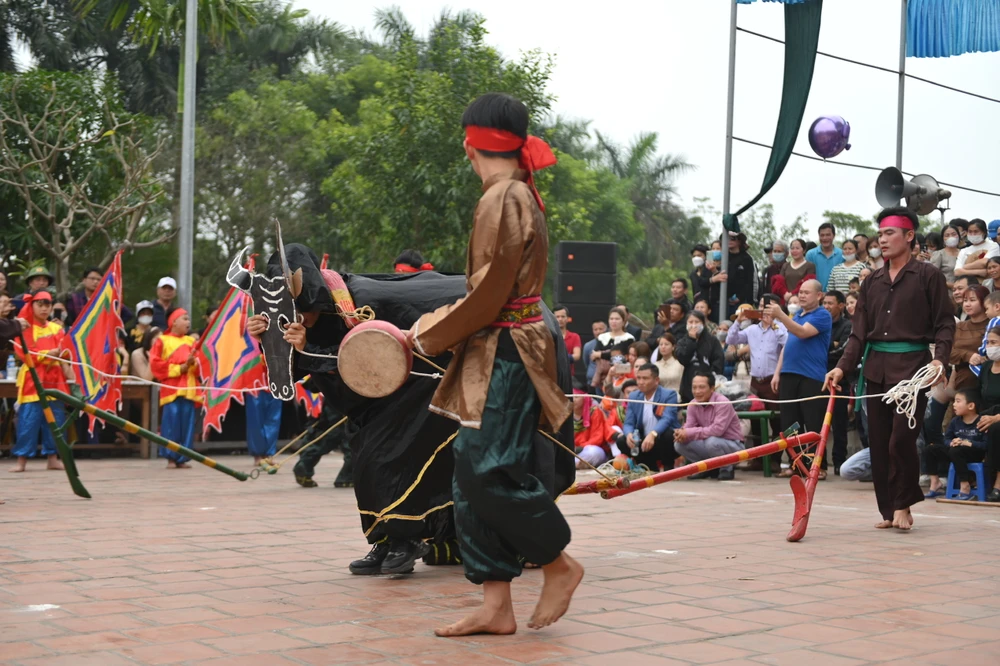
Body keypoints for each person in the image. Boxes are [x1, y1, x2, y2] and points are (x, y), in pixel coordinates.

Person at [406, 92, 581, 636]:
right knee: (470, 469)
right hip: (496, 344)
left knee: (488, 469)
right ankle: (496, 603)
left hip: (507, 348)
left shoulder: (504, 196)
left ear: (470, 144)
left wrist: (428, 335)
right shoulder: (514, 193)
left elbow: (488, 297)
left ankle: (558, 562)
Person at [825, 207, 955, 530]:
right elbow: (858, 334)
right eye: (880, 234)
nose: (881, 240)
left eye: (890, 233)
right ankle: (889, 510)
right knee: (880, 445)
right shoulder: (872, 282)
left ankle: (903, 503)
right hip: (876, 370)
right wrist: (842, 368)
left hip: (913, 371)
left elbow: (944, 324)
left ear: (909, 236)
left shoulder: (928, 276)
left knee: (901, 440)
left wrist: (940, 358)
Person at [767, 279, 832, 479]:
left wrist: (781, 316)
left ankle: (817, 467)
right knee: (789, 424)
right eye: (800, 292)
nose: (802, 295)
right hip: (789, 374)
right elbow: (788, 344)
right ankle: (797, 465)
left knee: (812, 423)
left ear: (819, 295)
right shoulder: (797, 316)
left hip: (811, 376)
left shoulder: (822, 315)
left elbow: (802, 333)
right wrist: (778, 371)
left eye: (807, 292)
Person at [9, 290, 71, 473]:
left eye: (47, 305)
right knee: (29, 421)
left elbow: (65, 351)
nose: (44, 309)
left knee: (56, 421)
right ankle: (21, 460)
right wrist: (48, 354)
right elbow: (25, 352)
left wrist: (57, 354)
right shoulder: (24, 328)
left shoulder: (57, 329)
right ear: (32, 305)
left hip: (55, 378)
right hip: (33, 379)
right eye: (40, 305)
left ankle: (53, 457)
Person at [728, 294, 787, 466]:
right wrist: (738, 320)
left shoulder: (781, 327)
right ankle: (758, 460)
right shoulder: (752, 329)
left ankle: (775, 460)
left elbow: (787, 342)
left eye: (769, 306)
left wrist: (773, 324)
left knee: (776, 421)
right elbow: (731, 339)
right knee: (755, 420)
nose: (764, 309)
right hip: (755, 381)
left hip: (773, 380)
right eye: (761, 305)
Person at [149, 308, 201, 469]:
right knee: (171, 425)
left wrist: (194, 364)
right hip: (172, 390)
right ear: (174, 322)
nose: (188, 322)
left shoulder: (192, 342)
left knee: (187, 425)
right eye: (185, 319)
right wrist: (180, 369)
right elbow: (156, 365)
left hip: (190, 389)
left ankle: (182, 458)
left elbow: (201, 365)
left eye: (188, 319)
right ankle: (171, 457)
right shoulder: (162, 341)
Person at [674, 370, 745, 480]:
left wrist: (689, 432)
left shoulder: (722, 402)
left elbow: (717, 431)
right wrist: (681, 433)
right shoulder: (693, 404)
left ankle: (727, 468)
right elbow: (689, 427)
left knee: (712, 441)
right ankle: (704, 468)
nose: (697, 391)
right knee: (679, 444)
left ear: (712, 388)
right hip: (710, 443)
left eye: (702, 387)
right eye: (694, 387)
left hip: (732, 445)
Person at [923, 389, 986, 500]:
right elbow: (946, 439)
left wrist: (969, 443)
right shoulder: (955, 421)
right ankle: (935, 483)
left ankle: (965, 486)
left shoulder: (982, 421)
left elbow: (986, 445)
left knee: (956, 450)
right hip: (955, 453)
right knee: (930, 449)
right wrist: (951, 442)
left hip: (975, 453)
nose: (954, 405)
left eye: (958, 401)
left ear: (971, 406)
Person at [617, 363, 679, 471]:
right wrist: (629, 435)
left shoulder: (669, 395)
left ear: (656, 380)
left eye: (645, 378)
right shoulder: (634, 396)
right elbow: (628, 423)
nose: (640, 382)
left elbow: (667, 419)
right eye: (639, 378)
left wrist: (653, 434)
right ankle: (647, 466)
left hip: (662, 440)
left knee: (668, 434)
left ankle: (668, 466)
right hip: (644, 440)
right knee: (622, 440)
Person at [824, 290, 853, 473]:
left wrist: (826, 346)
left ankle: (838, 463)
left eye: (830, 303)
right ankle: (816, 463)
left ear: (841, 306)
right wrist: (830, 343)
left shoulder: (847, 326)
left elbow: (842, 351)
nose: (826, 307)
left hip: (839, 379)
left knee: (839, 423)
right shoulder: (819, 323)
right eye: (824, 303)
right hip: (818, 376)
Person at [674, 310, 724, 403]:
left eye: (697, 322)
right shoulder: (682, 341)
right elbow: (683, 359)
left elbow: (718, 361)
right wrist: (691, 340)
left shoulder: (712, 341)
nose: (693, 325)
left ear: (703, 324)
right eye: (690, 322)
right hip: (688, 386)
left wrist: (711, 379)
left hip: (708, 384)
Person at [590, 307, 635, 389]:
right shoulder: (602, 337)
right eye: (611, 319)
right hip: (601, 377)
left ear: (623, 321)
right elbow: (594, 355)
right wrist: (602, 355)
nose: (614, 321)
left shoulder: (629, 338)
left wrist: (601, 354)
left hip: (621, 377)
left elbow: (623, 357)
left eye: (617, 319)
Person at [572, 381, 614, 469]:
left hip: (589, 449)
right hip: (573, 451)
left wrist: (581, 447)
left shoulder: (595, 412)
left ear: (585, 398)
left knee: (595, 452)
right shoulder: (566, 414)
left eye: (576, 396)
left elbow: (597, 438)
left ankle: (574, 465)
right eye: (571, 397)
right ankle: (577, 465)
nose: (573, 400)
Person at [955, 219, 1000, 290]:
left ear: (984, 232)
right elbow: (957, 272)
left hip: (989, 287)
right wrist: (980, 272)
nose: (973, 234)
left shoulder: (993, 246)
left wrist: (965, 266)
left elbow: (984, 262)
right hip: (970, 289)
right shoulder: (964, 251)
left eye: (976, 231)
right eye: (970, 232)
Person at [725, 232, 757, 316]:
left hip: (741, 301)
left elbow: (750, 281)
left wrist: (740, 297)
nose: (729, 241)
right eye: (727, 238)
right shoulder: (723, 257)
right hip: (723, 300)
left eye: (733, 239)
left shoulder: (747, 259)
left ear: (739, 241)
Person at [806, 222, 845, 290]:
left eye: (828, 235)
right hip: (815, 294)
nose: (825, 238)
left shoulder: (842, 254)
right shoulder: (811, 254)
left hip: (836, 295)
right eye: (822, 235)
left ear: (834, 235)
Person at [931, 225, 962, 289]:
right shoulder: (939, 254)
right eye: (947, 235)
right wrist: (952, 286)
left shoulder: (964, 253)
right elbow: (932, 276)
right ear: (943, 239)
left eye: (953, 234)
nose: (951, 237)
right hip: (946, 292)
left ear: (959, 236)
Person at [583, 319, 608, 388]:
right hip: (591, 382)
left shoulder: (611, 344)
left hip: (607, 382)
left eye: (601, 329)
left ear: (606, 329)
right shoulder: (588, 346)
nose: (598, 332)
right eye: (595, 329)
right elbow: (586, 362)